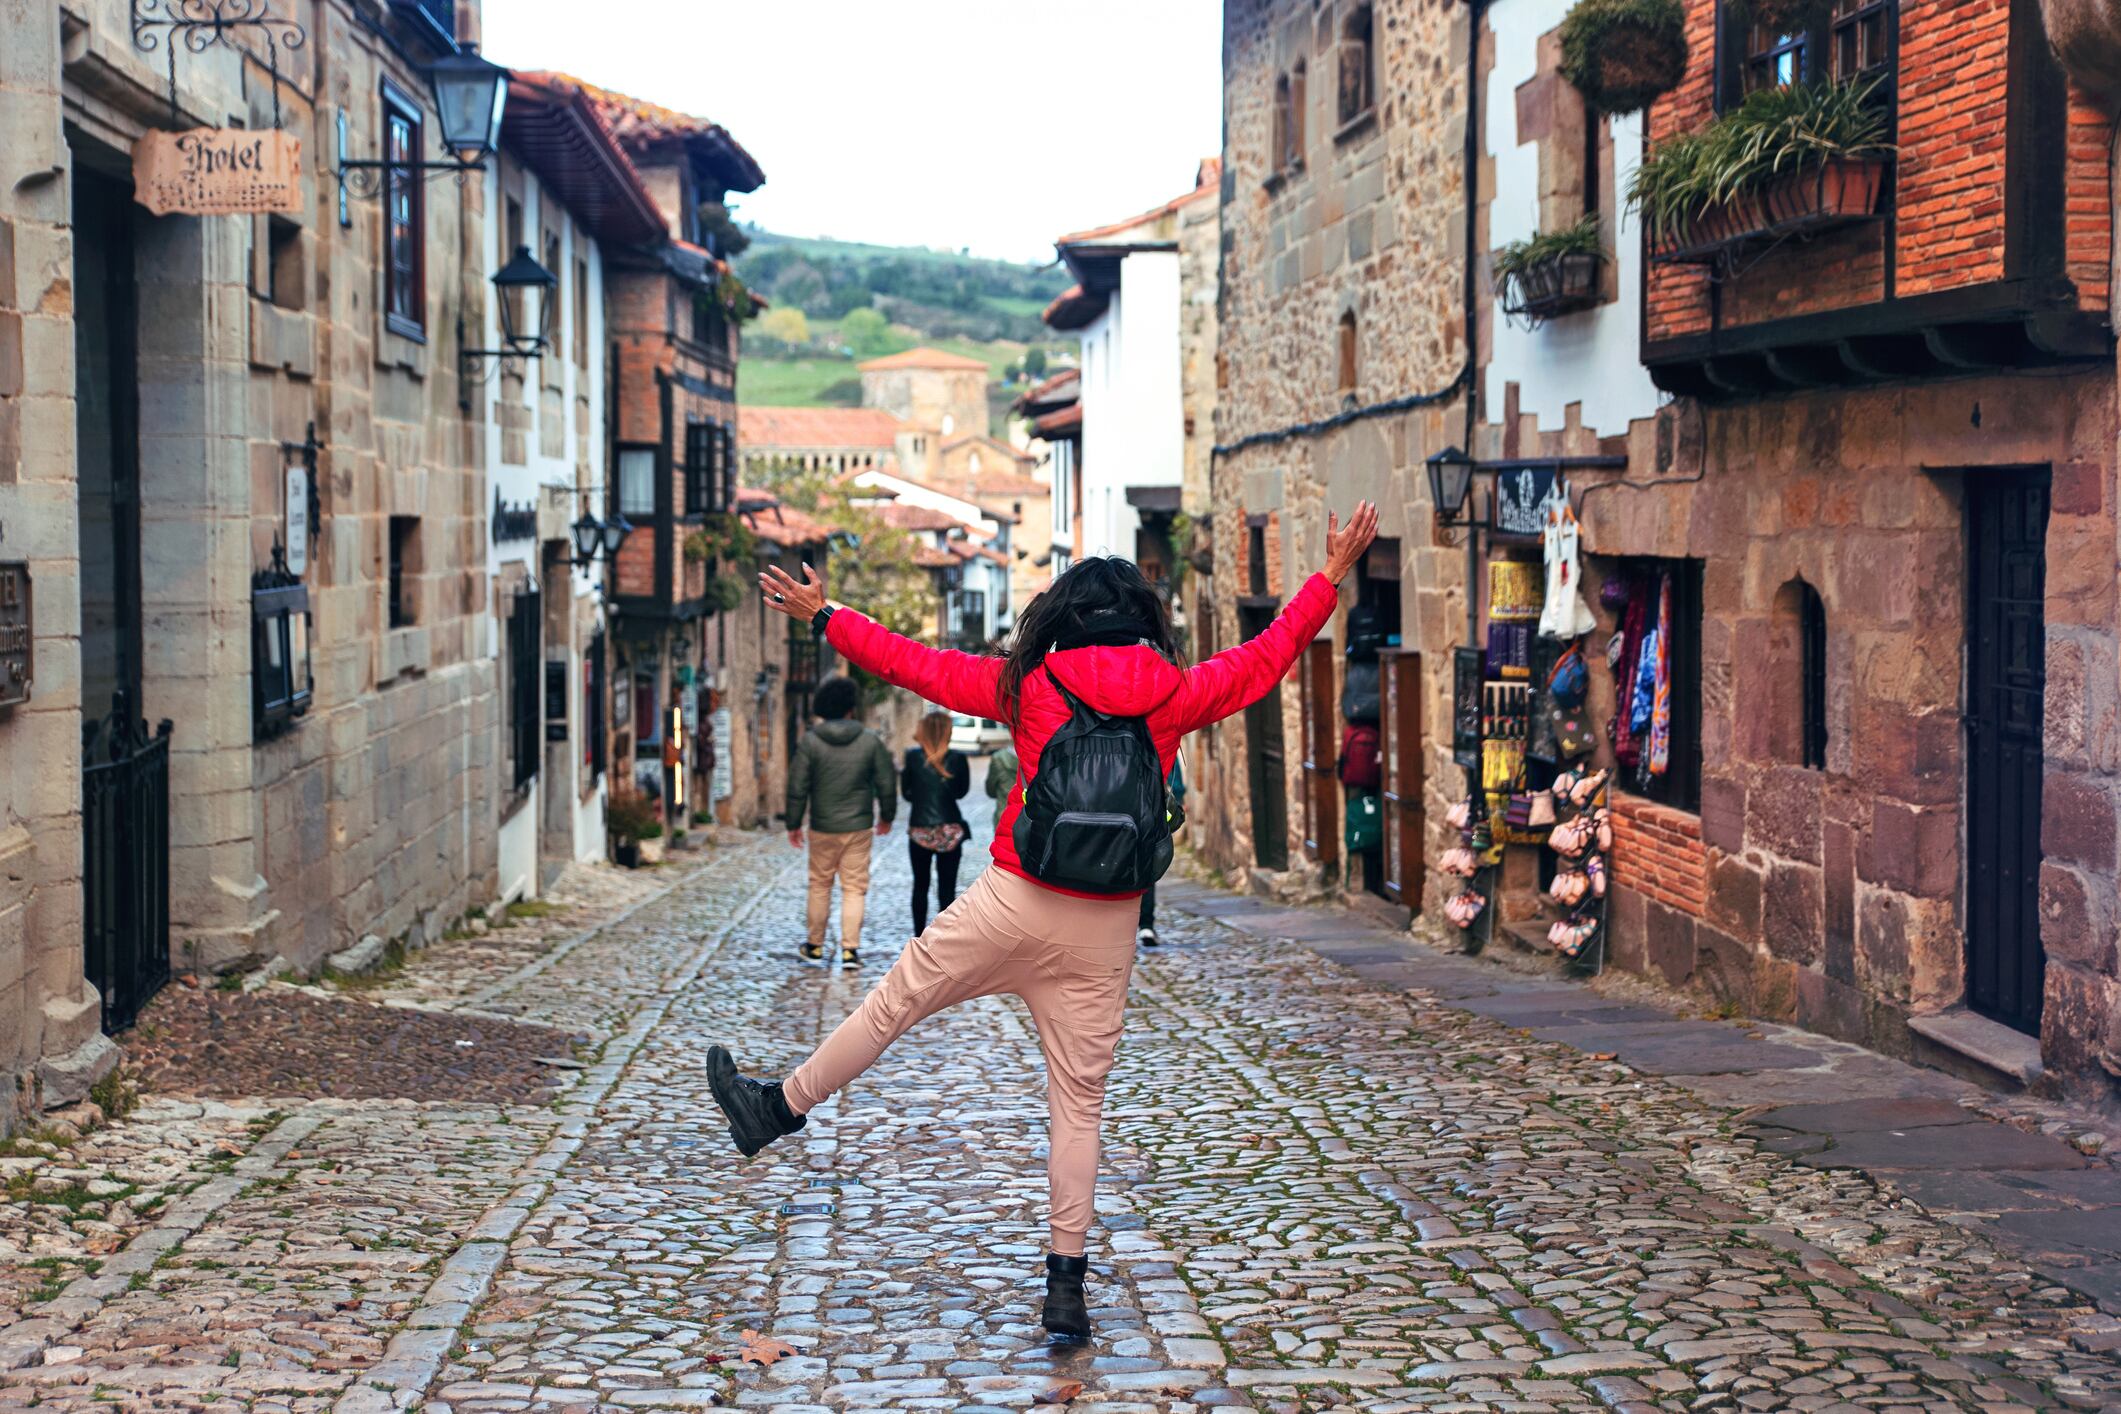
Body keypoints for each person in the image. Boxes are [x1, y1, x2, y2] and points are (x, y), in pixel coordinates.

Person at [710, 501, 1378, 1344]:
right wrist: (1328, 577)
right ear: (1142, 622)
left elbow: (920, 667)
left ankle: (778, 1109)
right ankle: (1065, 1289)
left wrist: (830, 616)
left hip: (1015, 897)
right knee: (1079, 1105)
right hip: (1106, 924)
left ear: (1062, 618)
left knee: (892, 1004)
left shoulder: (1029, 683)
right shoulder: (1171, 694)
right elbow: (1264, 660)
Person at [784, 674, 895, 971]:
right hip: (858, 826)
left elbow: (797, 786)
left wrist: (793, 823)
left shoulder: (810, 742)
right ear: (851, 707)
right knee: (854, 888)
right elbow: (886, 782)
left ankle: (815, 946)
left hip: (822, 825)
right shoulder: (870, 741)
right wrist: (887, 816)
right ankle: (849, 950)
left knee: (819, 885)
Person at [901, 711, 971, 933]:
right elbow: (961, 792)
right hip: (950, 829)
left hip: (920, 829)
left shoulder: (913, 757)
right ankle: (945, 935)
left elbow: (907, 793)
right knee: (947, 889)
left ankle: (918, 934)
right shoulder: (958, 759)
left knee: (920, 885)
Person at [1135, 751, 1185, 948]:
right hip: (1149, 807)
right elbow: (1174, 773)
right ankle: (1145, 924)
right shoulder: (1155, 726)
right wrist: (1177, 797)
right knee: (1146, 865)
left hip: (1113, 808)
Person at [984, 741, 1019, 835]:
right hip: (1031, 818)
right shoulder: (1040, 755)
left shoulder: (998, 758)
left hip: (1004, 816)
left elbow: (990, 790)